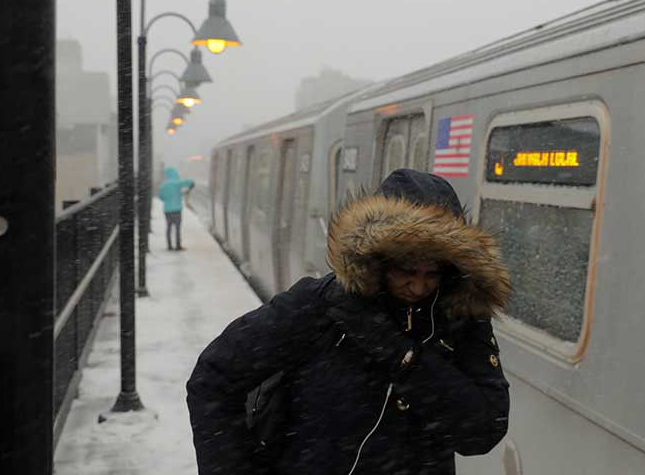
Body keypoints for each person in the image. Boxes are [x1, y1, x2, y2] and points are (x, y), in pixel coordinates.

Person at [187, 168, 511, 475]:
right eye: (406, 271)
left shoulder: (461, 319)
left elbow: (482, 432)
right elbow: (214, 377)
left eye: (432, 274)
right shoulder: (320, 307)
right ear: (378, 261)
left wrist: (404, 359)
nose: (419, 286)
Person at [158, 166, 194, 251]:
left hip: (167, 210)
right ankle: (178, 245)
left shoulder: (163, 185)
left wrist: (168, 199)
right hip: (177, 209)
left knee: (169, 227)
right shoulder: (177, 183)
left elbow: (161, 197)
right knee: (177, 228)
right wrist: (188, 189)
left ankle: (169, 246)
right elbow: (190, 182)